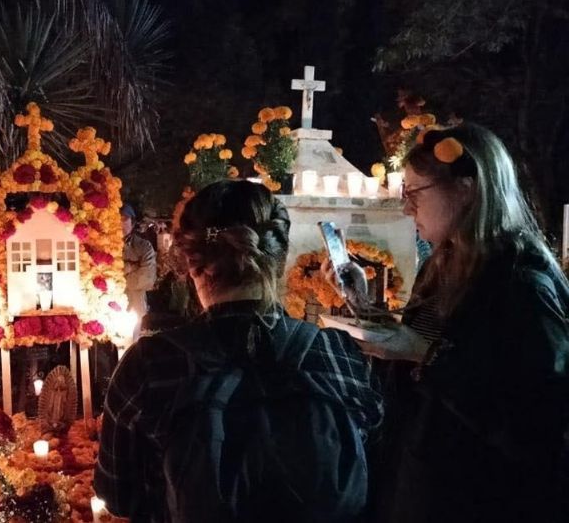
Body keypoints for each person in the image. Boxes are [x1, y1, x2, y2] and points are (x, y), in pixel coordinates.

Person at [95, 181, 383, 522]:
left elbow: (117, 495)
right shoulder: (339, 354)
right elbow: (371, 468)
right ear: (279, 258)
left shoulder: (148, 366)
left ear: (192, 264)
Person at [327, 123, 569, 522]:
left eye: (414, 193)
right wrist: (366, 307)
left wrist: (425, 354)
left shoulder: (521, 284)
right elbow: (419, 352)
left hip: (484, 500)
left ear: (466, 188)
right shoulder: (442, 266)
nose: (406, 208)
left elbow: (535, 421)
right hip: (422, 487)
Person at [121, 204, 157, 325]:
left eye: (124, 219)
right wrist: (132, 267)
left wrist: (117, 279)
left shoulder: (144, 247)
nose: (119, 223)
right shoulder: (103, 246)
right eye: (115, 219)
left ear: (133, 222)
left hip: (135, 306)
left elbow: (147, 278)